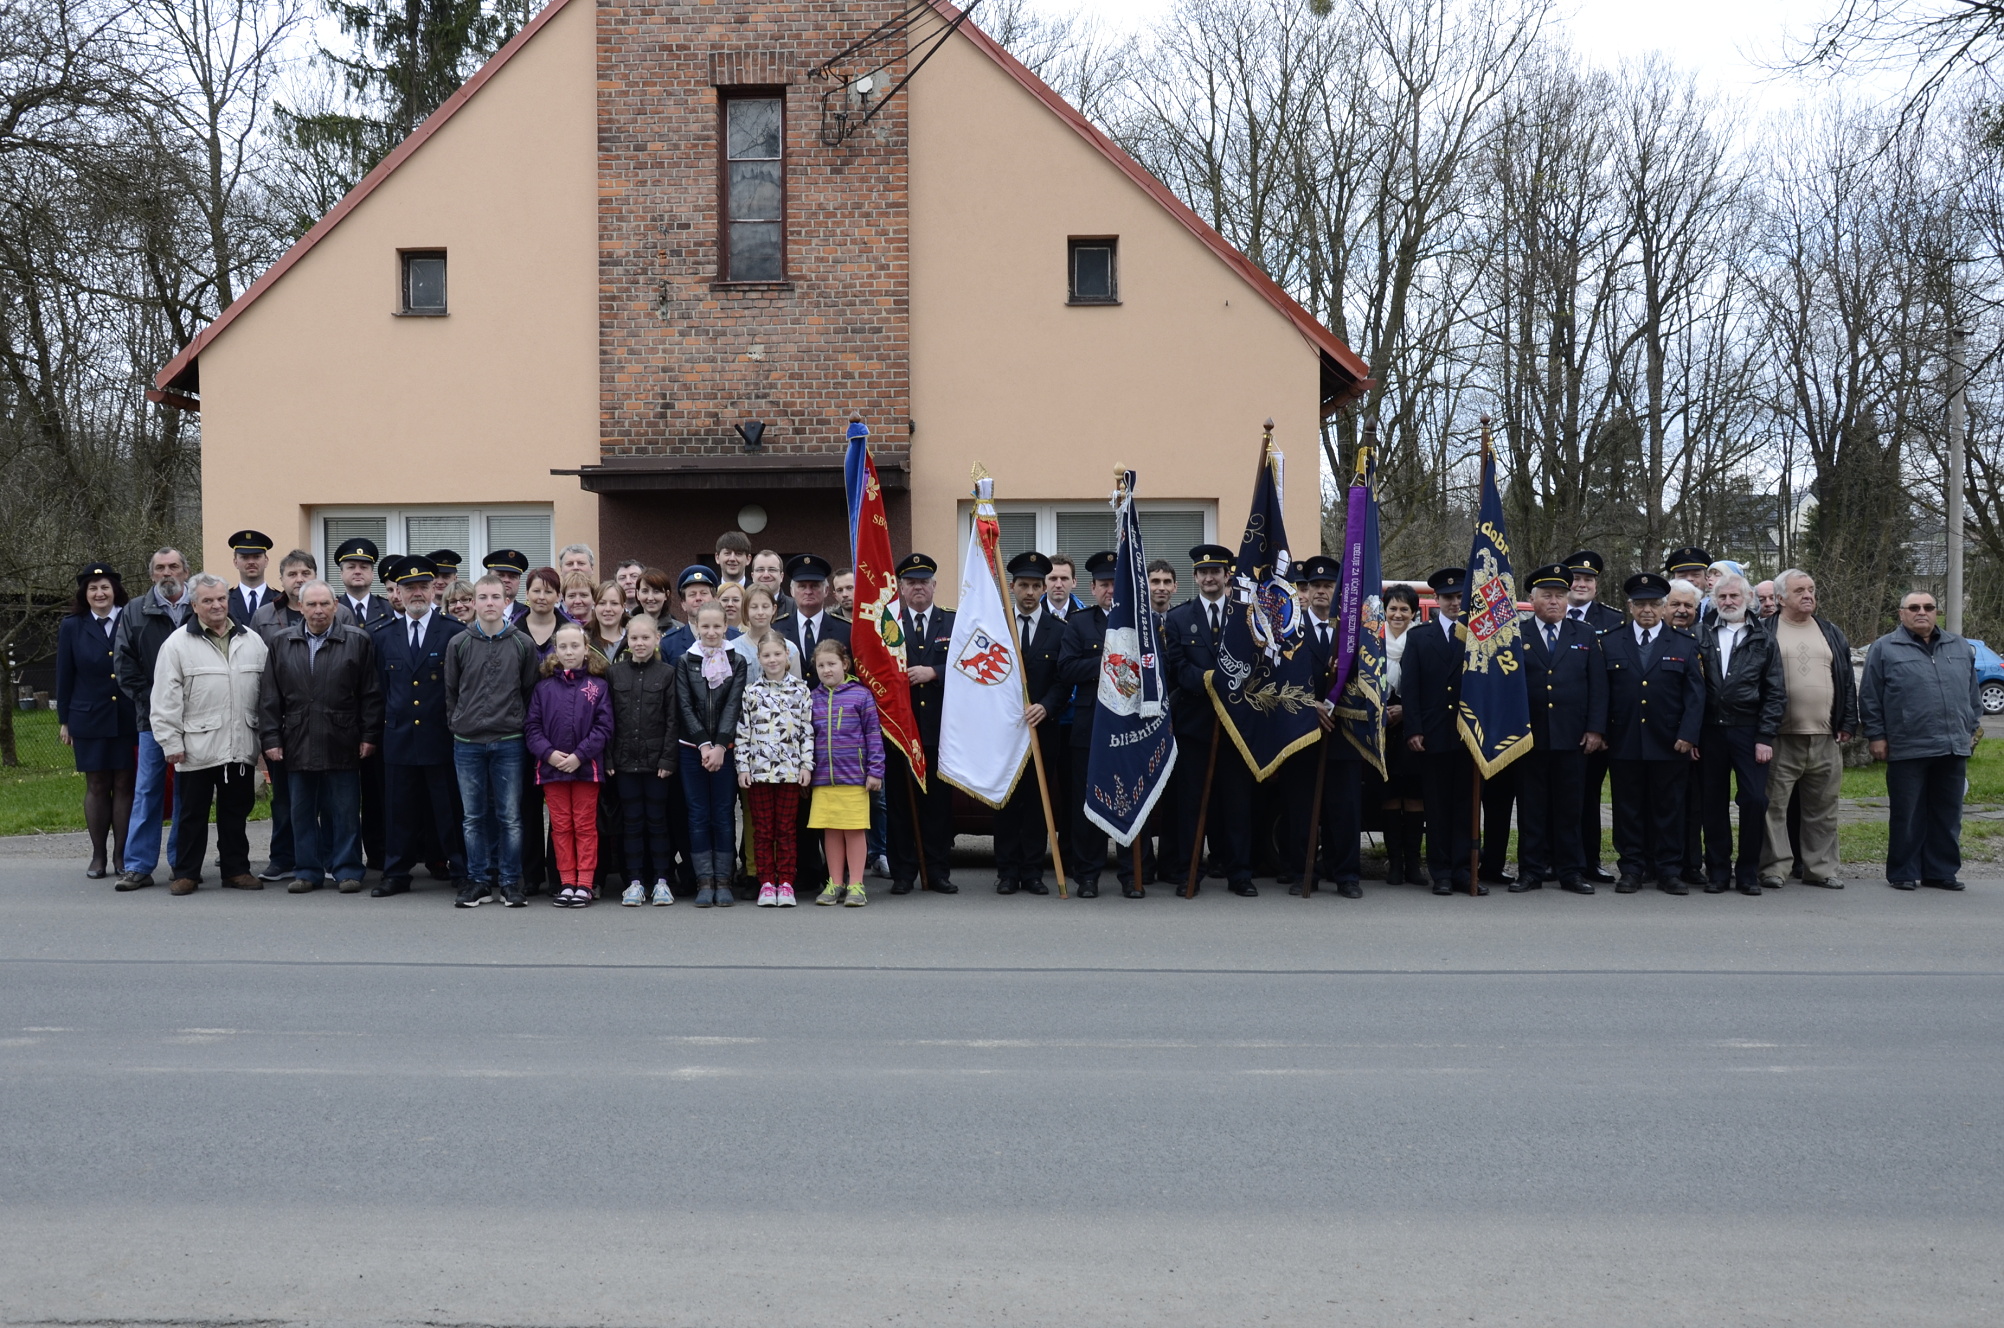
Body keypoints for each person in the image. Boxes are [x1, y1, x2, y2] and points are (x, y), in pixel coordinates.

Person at [259, 580, 383, 893]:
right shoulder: (281, 642)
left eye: (324, 604)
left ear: (335, 606)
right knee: (301, 811)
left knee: (344, 810)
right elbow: (270, 697)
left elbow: (370, 694)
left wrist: (369, 735)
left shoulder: (357, 640)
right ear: (300, 607)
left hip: (342, 737)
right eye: (311, 605)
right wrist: (271, 739)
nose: (318, 611)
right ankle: (307, 871)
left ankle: (347, 870)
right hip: (297, 738)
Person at [150, 574, 269, 896]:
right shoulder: (176, 644)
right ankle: (186, 873)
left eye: (221, 599)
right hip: (196, 746)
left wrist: (264, 742)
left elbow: (265, 695)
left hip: (241, 743)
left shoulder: (252, 641)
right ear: (194, 605)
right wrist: (171, 742)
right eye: (208, 600)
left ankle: (236, 870)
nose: (216, 605)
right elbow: (164, 698)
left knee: (235, 813)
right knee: (192, 814)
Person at [1861, 591, 1981, 891]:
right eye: (1914, 608)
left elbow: (1972, 694)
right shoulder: (1885, 648)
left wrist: (1970, 727)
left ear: (1936, 612)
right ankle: (1903, 871)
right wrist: (1876, 735)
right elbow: (1870, 697)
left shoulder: (1959, 646)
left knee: (1948, 814)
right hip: (1907, 744)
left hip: (1953, 744)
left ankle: (1941, 872)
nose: (1921, 612)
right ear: (1901, 613)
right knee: (1908, 813)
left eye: (1928, 607)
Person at [1594, 573, 1704, 893]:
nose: (1647, 611)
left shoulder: (1684, 644)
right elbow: (1602, 693)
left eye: (1654, 604)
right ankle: (1631, 868)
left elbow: (1695, 696)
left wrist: (1689, 734)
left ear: (1663, 608)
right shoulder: (1612, 641)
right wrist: (1599, 732)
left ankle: (1669, 869)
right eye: (1640, 604)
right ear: (1629, 607)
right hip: (1624, 738)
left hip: (1669, 741)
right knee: (1627, 807)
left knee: (1668, 808)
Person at [445, 574, 541, 908]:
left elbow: (529, 690)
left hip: (509, 741)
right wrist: (458, 723)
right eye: (482, 597)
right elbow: (451, 692)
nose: (488, 603)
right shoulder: (459, 643)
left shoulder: (522, 644)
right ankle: (479, 881)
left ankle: (512, 882)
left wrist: (517, 724)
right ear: (473, 603)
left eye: (495, 597)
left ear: (505, 601)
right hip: (467, 742)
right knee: (473, 817)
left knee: (510, 816)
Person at [374, 556, 466, 899]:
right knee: (398, 811)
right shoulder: (382, 636)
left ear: (434, 590)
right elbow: (379, 691)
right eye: (409, 587)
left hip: (440, 737)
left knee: (449, 810)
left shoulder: (454, 632)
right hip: (398, 738)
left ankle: (460, 869)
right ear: (397, 591)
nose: (417, 593)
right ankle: (396, 873)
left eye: (423, 586)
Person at [1759, 569, 1856, 889]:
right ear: (1781, 598)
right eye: (1800, 590)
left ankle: (1821, 868)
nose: (1808, 595)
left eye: (1811, 589)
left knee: (1823, 808)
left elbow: (1845, 681)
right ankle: (1774, 868)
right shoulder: (1763, 632)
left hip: (1826, 736)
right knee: (1773, 808)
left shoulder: (1830, 632)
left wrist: (1847, 723)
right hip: (1779, 737)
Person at [1516, 564, 1607, 894]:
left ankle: (1571, 871)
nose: (1554, 601)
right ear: (1532, 599)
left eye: (1559, 595)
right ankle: (1530, 871)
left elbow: (1598, 686)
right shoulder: (1518, 634)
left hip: (1573, 737)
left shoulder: (1583, 634)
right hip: (1530, 738)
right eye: (1547, 595)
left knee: (1571, 809)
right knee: (1531, 808)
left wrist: (1596, 729)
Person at [1695, 572, 1784, 896]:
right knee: (1712, 803)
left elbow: (1775, 693)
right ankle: (1717, 871)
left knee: (1754, 799)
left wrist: (1765, 737)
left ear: (1748, 600)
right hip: (1710, 732)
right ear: (1714, 601)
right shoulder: (1700, 634)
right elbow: (1692, 691)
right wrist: (1692, 735)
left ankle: (1747, 872)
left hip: (1749, 732)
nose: (1728, 602)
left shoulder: (1764, 640)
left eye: (1734, 596)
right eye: (1722, 597)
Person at [1160, 544, 1243, 892]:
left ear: (1227, 577)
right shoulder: (1179, 618)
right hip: (1194, 724)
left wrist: (1228, 681)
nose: (1210, 578)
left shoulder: (1244, 616)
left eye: (1216, 572)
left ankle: (1240, 874)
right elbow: (1176, 667)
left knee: (1236, 803)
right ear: (1195, 577)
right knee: (1191, 803)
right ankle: (1187, 872)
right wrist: (1211, 680)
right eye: (1203, 572)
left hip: (1236, 725)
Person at [112, 547, 190, 892]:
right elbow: (124, 664)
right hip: (151, 719)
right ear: (151, 574)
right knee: (147, 790)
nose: (167, 573)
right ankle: (139, 866)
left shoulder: (200, 605)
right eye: (160, 568)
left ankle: (183, 863)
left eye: (174, 566)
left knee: (188, 791)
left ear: (186, 571)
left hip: (196, 718)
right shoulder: (134, 610)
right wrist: (154, 702)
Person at [1288, 554, 1364, 898]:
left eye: (1327, 586)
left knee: (1344, 811)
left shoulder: (1353, 634)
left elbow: (1369, 683)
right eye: (1314, 586)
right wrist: (1309, 705)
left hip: (1344, 733)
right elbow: (1280, 681)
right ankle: (1303, 872)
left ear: (1338, 592)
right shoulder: (1291, 630)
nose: (1320, 592)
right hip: (1304, 733)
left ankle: (1346, 874)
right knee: (1301, 810)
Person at [995, 551, 1068, 896]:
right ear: (1012, 587)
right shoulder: (997, 627)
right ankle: (1007, 871)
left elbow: (1063, 678)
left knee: (1038, 800)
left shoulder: (1060, 630)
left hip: (1043, 727)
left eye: (1035, 585)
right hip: (1006, 731)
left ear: (1043, 589)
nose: (1029, 591)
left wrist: (1047, 706)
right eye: (1023, 584)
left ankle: (1032, 871)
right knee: (1007, 800)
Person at [57, 562, 136, 879]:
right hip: (88, 717)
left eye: (105, 587)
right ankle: (98, 855)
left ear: (115, 591)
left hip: (128, 716)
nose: (100, 593)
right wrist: (65, 720)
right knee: (98, 785)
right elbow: (64, 675)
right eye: (93, 588)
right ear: (84, 594)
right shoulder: (72, 626)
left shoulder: (131, 620)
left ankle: (121, 856)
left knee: (125, 784)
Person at [1402, 567, 1477, 894]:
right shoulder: (1419, 637)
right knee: (1436, 807)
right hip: (1433, 734)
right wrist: (1414, 729)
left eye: (1460, 597)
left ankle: (1463, 870)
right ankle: (1441, 873)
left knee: (1465, 807)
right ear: (1436, 599)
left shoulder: (1477, 636)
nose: (1454, 602)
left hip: (1468, 735)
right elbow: (1411, 687)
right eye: (1448, 597)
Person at [886, 552, 958, 895]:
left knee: (938, 807)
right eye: (911, 582)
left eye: (924, 582)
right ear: (901, 586)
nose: (918, 588)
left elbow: (970, 666)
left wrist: (935, 672)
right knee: (901, 806)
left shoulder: (953, 622)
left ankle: (938, 870)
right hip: (899, 731)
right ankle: (903, 872)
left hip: (939, 731)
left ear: (934, 585)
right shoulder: (887, 625)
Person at [528, 622, 614, 907]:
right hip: (552, 770)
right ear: (555, 650)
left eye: (574, 646)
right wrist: (549, 754)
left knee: (585, 826)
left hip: (586, 769)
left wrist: (579, 755)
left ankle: (586, 883)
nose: (569, 651)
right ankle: (566, 881)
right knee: (561, 826)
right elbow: (532, 728)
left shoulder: (597, 686)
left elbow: (603, 727)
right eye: (562, 646)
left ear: (586, 649)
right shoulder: (543, 688)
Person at [675, 602, 748, 906]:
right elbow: (685, 705)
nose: (711, 632)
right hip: (693, 750)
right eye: (705, 626)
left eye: (717, 626)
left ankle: (724, 879)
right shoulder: (685, 661)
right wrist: (704, 744)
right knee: (698, 814)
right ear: (696, 625)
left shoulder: (738, 660)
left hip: (725, 749)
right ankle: (704, 880)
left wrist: (720, 745)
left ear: (726, 625)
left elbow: (733, 704)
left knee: (722, 813)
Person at [736, 631, 814, 906]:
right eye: (766, 655)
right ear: (759, 659)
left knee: (786, 830)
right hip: (758, 773)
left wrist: (807, 766)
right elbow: (743, 733)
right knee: (763, 829)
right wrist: (743, 767)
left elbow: (807, 731)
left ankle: (787, 882)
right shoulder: (750, 692)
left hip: (790, 772)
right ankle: (767, 882)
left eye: (777, 654)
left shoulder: (800, 691)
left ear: (787, 656)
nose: (772, 660)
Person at [607, 612, 679, 906]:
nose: (639, 643)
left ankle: (662, 879)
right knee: (632, 822)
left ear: (657, 639)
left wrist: (667, 759)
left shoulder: (667, 674)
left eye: (645, 637)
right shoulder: (615, 674)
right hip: (624, 762)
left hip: (656, 764)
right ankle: (634, 881)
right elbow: (608, 719)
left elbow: (673, 720)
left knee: (658, 821)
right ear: (627, 640)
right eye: (634, 638)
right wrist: (608, 757)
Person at [808, 638, 883, 906]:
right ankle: (835, 882)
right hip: (824, 778)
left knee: (853, 831)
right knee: (830, 831)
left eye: (832, 664)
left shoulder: (861, 695)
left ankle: (856, 885)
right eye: (821, 665)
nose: (827, 670)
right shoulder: (812, 698)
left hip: (854, 777)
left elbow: (873, 734)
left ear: (845, 664)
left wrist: (875, 771)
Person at [1563, 549, 1623, 883]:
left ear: (1596, 586)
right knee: (1554, 798)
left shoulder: (1613, 622)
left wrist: (1600, 727)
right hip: (1557, 724)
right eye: (1576, 578)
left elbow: (1611, 681)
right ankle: (1551, 859)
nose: (1581, 584)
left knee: (1588, 799)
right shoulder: (1549, 614)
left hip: (1595, 728)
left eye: (1588, 579)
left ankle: (1589, 861)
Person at [1376, 584, 1427, 885]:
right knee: (1389, 795)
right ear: (1385, 611)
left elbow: (1430, 685)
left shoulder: (1421, 640)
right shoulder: (1372, 640)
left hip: (1412, 724)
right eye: (1393, 608)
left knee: (1414, 795)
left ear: (1413, 612)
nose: (1398, 614)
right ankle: (1394, 864)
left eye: (1404, 609)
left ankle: (1414, 865)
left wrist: (1406, 711)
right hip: (1381, 727)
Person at [1663, 578, 1707, 885]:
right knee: (1665, 803)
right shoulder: (1654, 638)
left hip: (1702, 737)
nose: (1682, 611)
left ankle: (1692, 864)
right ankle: (1661, 863)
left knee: (1695, 805)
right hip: (1665, 737)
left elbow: (1705, 692)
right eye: (1675, 605)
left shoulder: (1705, 638)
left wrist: (1695, 734)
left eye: (1688, 606)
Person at [773, 554, 848, 661]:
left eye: (814, 586)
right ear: (792, 591)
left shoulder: (845, 630)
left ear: (826, 590)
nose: (808, 592)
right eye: (802, 586)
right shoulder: (777, 629)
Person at [734, 585, 801, 676]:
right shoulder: (734, 648)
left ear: (773, 609)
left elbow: (797, 686)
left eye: (765, 607)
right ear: (746, 610)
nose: (760, 612)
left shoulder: (790, 648)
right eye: (754, 607)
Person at [334, 538, 392, 626]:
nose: (357, 571)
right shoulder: (332, 608)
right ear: (341, 573)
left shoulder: (388, 608)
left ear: (372, 573)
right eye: (351, 567)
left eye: (364, 567)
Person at [227, 530, 275, 626]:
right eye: (245, 557)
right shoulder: (225, 600)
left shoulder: (279, 600)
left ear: (266, 561)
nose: (251, 562)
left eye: (257, 557)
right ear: (235, 562)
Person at [482, 548, 531, 622]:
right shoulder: (477, 611)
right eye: (501, 575)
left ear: (519, 582)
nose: (507, 580)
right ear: (488, 579)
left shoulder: (528, 614)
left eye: (513, 577)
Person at [585, 579, 628, 663]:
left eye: (614, 603)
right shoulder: (584, 640)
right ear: (594, 606)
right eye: (602, 603)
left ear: (623, 607)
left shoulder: (634, 639)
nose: (608, 609)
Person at [750, 548, 796, 618]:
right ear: (752, 576)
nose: (766, 575)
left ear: (781, 576)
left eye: (772, 570)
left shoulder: (796, 608)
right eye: (760, 570)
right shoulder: (742, 607)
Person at [1043, 555, 1087, 620]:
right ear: (1044, 582)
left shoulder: (1086, 616)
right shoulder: (1032, 613)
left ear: (1074, 582)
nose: (1058, 585)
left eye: (1064, 579)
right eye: (1053, 579)